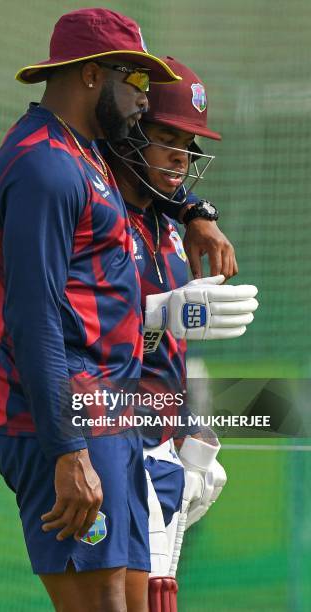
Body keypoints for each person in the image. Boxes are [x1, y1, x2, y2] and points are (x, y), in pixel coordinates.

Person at [0, 8, 182, 612]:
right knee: (103, 604)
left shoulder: (85, 152)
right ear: (93, 74)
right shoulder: (44, 165)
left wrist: (194, 212)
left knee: (138, 601)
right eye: (136, 81)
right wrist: (68, 451)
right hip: (64, 424)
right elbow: (34, 316)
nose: (146, 100)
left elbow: (151, 176)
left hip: (107, 416)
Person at [106, 56, 259, 610]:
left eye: (189, 142)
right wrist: (153, 313)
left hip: (159, 439)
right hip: (110, 438)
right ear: (130, 133)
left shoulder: (168, 224)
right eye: (166, 136)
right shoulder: (98, 214)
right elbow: (75, 324)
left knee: (162, 594)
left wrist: (194, 430)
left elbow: (173, 349)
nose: (181, 155)